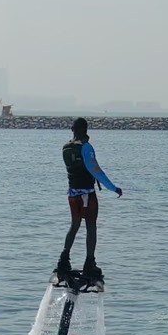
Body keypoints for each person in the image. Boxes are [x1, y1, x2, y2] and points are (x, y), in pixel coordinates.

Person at [54, 117, 122, 283]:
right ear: (86, 130)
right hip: (86, 195)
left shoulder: (65, 148)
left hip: (72, 195)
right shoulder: (86, 147)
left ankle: (63, 261)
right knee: (91, 226)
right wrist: (113, 188)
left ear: (72, 129)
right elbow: (95, 170)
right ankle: (89, 263)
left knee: (74, 225)